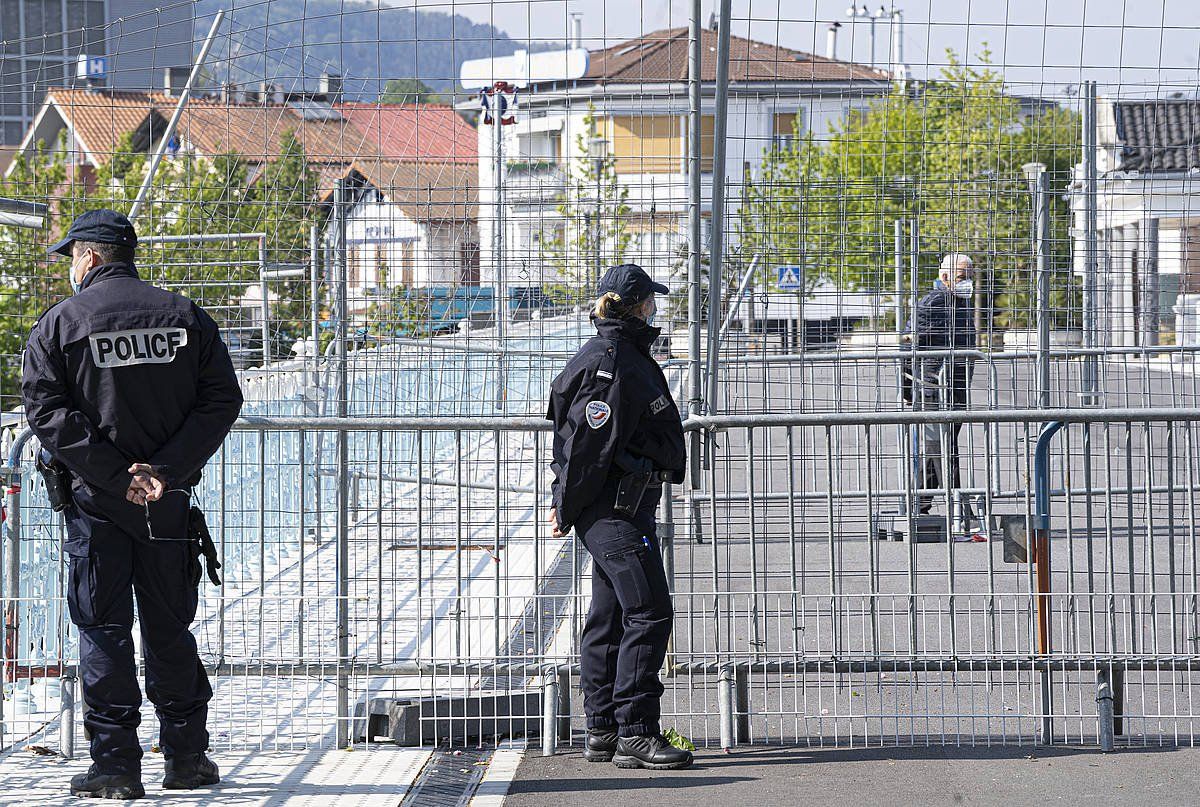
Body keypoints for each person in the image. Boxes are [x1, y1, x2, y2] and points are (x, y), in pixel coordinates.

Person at [21, 209, 243, 799]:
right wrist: (162, 473)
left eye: (72, 256)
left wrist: (117, 476)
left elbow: (46, 412)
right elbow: (222, 399)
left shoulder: (61, 325)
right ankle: (186, 758)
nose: (72, 266)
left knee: (104, 630)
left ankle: (117, 767)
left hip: (96, 507)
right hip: (166, 505)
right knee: (171, 628)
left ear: (90, 257)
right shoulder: (185, 317)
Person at [545, 263, 691, 770]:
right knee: (650, 612)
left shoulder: (622, 354)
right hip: (615, 511)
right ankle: (635, 730)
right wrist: (566, 505)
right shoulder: (612, 361)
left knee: (608, 617)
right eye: (650, 300)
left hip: (620, 508)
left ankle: (602, 729)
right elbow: (589, 445)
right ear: (634, 306)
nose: (656, 307)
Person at [905, 252, 980, 538]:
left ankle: (918, 505)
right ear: (946, 277)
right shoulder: (935, 302)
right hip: (934, 386)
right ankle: (959, 508)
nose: (968, 282)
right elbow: (911, 345)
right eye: (962, 277)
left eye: (969, 276)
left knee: (938, 446)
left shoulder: (960, 301)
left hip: (953, 384)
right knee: (943, 447)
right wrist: (909, 386)